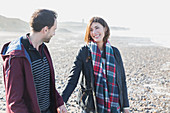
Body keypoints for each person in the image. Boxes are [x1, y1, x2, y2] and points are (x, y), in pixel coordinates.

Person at [1, 9, 67, 113]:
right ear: (45, 29)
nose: (54, 34)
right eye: (54, 29)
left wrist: (59, 102)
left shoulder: (43, 49)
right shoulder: (16, 56)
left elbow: (47, 83)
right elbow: (15, 102)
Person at [62, 17, 130, 113]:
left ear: (105, 29)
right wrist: (61, 101)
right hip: (91, 106)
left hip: (114, 105)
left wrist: (125, 106)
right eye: (91, 30)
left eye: (97, 28)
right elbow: (73, 78)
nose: (94, 32)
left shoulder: (115, 52)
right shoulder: (84, 52)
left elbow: (122, 80)